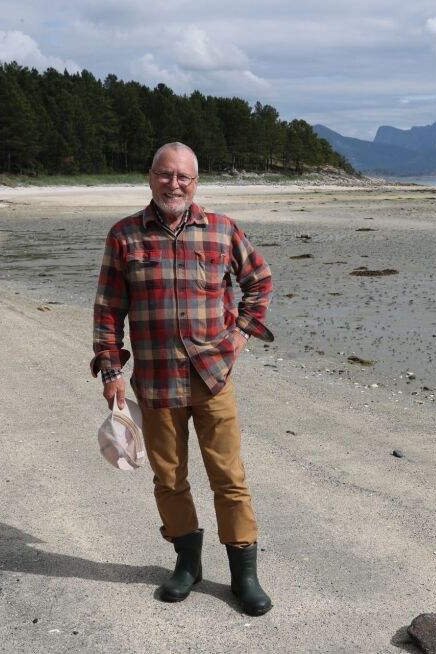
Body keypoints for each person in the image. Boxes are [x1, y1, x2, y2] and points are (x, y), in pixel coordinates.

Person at [91, 142, 274, 615]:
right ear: (150, 177)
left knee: (229, 477)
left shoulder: (222, 230)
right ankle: (187, 565)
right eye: (166, 175)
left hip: (213, 378)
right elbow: (110, 310)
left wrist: (236, 341)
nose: (175, 184)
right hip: (154, 382)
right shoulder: (124, 236)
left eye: (184, 178)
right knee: (169, 479)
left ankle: (243, 576)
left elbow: (259, 282)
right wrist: (112, 369)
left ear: (197, 182)